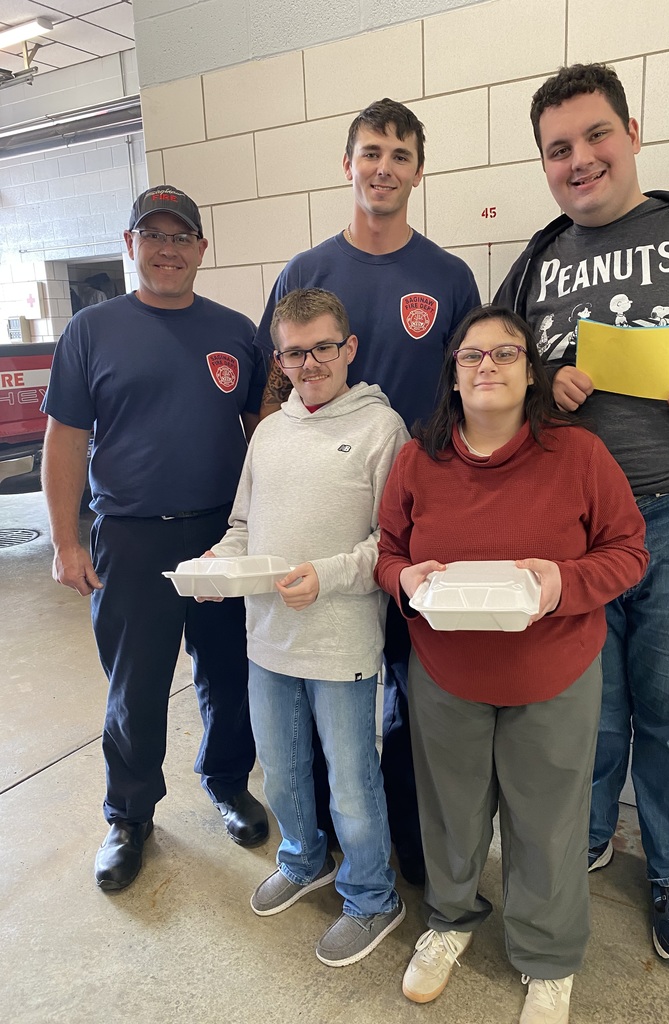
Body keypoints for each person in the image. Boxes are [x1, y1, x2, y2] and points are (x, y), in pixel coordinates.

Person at [494, 62, 669, 967]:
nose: (580, 160)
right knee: (593, 710)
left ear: (632, 131)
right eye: (558, 149)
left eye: (595, 135)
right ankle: (590, 836)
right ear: (544, 163)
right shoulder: (535, 261)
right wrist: (540, 383)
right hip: (573, 534)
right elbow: (488, 377)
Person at [375, 305, 648, 1024]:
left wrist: (562, 584)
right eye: (472, 356)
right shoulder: (417, 460)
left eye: (506, 354)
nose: (488, 366)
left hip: (552, 674)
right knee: (451, 816)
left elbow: (627, 551)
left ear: (532, 371)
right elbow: (388, 553)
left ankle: (549, 957)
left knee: (548, 824)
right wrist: (403, 581)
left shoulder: (580, 456)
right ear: (454, 374)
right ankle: (448, 922)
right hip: (447, 673)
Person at [257, 98, 481, 885]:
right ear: (347, 164)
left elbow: (468, 395)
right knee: (323, 694)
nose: (383, 166)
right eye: (370, 152)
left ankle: (411, 847)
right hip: (324, 524)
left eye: (399, 153)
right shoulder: (305, 272)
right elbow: (270, 390)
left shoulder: (448, 277)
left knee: (417, 694)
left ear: (420, 169)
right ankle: (321, 843)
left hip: (421, 520)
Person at [41, 185, 270, 892]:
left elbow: (262, 428)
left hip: (220, 534)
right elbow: (65, 440)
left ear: (202, 249)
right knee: (134, 688)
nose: (167, 250)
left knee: (230, 675)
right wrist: (64, 541)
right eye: (154, 236)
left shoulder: (236, 331)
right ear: (130, 244)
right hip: (131, 538)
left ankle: (228, 782)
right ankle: (129, 815)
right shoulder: (92, 332)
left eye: (181, 237)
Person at [203, 288, 410, 966]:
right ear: (280, 358)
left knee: (352, 783)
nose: (311, 362)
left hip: (342, 642)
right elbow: (242, 527)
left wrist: (327, 574)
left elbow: (392, 544)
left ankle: (373, 895)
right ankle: (302, 860)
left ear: (348, 348)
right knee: (285, 774)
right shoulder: (268, 432)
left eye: (323, 347)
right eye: (295, 351)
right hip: (266, 639)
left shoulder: (383, 430)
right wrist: (216, 566)